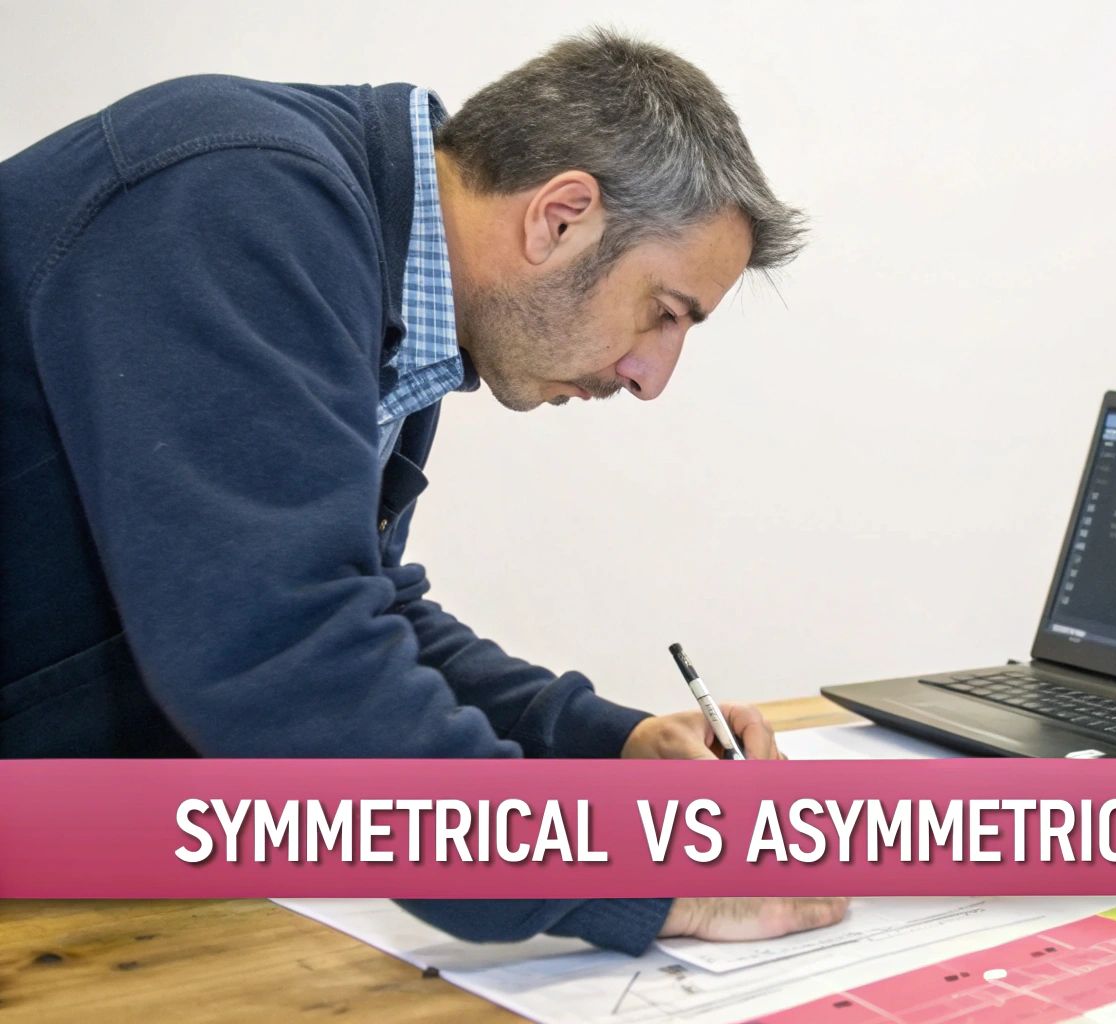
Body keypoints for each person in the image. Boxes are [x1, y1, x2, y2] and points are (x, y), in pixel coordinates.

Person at [0, 28, 845, 953]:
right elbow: (284, 645)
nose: (653, 375)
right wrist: (642, 882)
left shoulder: (387, 278)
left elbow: (353, 607)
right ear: (561, 217)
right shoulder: (238, 200)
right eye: (665, 312)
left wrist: (608, 746)